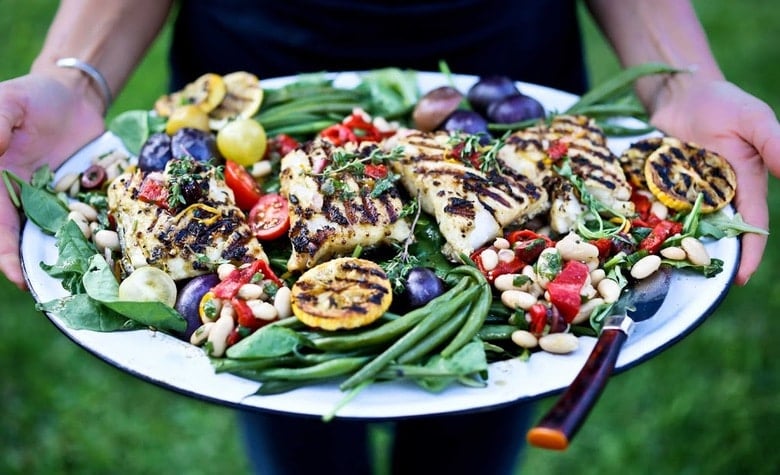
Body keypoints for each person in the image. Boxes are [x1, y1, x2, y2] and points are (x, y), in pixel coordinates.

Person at [0, 1, 778, 474]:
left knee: (476, 426)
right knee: (297, 428)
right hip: (261, 67)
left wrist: (677, 80)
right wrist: (72, 80)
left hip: (501, 68)